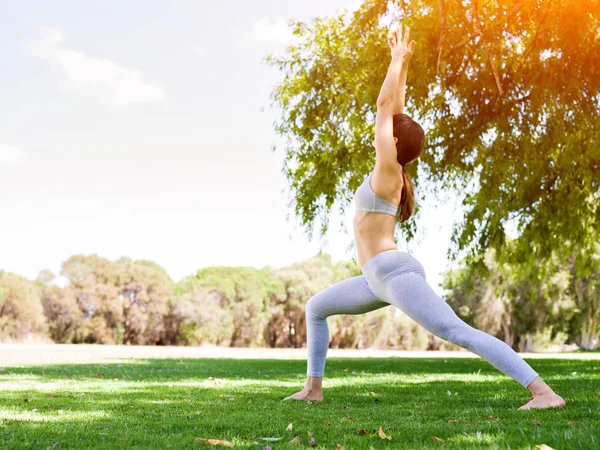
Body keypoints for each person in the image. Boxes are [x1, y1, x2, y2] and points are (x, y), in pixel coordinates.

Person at [283, 24, 566, 410]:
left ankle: (543, 393)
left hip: (394, 273)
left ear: (393, 142)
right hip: (375, 278)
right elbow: (395, 110)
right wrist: (404, 67)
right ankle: (313, 388)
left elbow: (385, 109)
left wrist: (395, 60)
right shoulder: (393, 166)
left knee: (455, 330)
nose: (380, 131)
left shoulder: (388, 172)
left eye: (386, 133)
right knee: (316, 307)